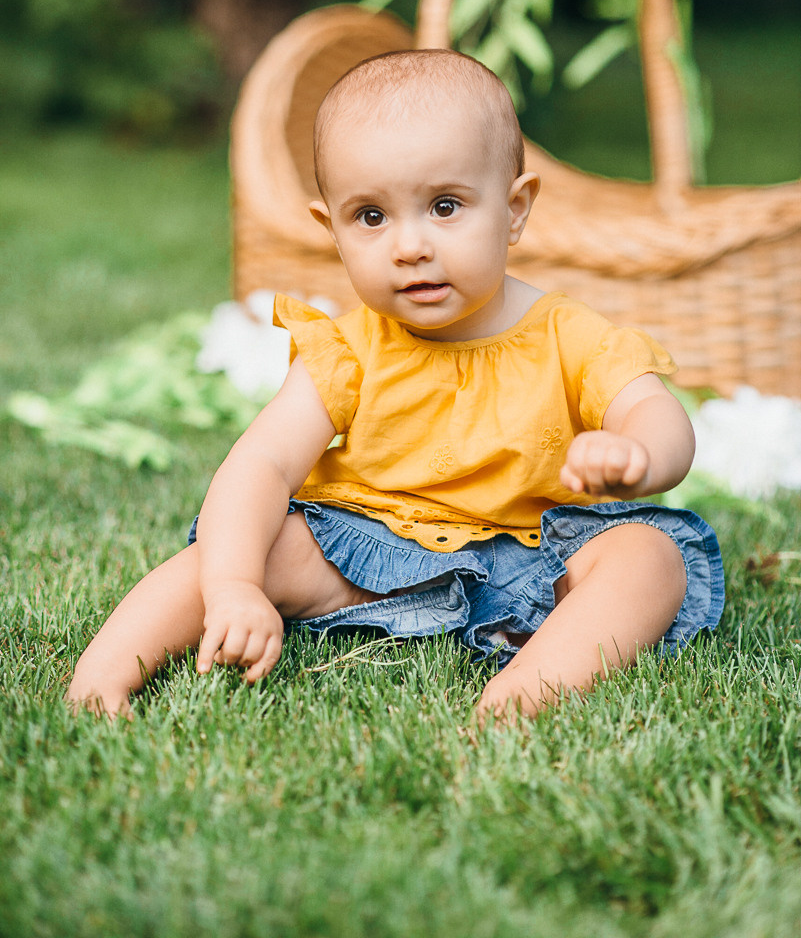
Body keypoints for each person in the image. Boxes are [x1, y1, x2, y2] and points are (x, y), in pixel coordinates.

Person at [67, 49, 724, 722]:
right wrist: (234, 585)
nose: (408, 246)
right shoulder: (350, 348)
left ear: (515, 209)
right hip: (371, 549)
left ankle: (530, 688)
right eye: (371, 217)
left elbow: (655, 413)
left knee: (648, 558)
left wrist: (637, 455)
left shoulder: (568, 335)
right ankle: (103, 678)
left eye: (444, 206)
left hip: (538, 557)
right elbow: (260, 464)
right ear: (333, 233)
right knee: (249, 545)